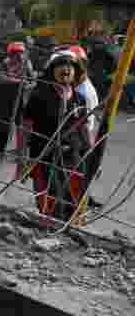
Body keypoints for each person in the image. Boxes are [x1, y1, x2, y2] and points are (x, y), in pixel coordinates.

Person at [21, 50, 90, 220]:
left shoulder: (80, 99)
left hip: (72, 155)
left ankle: (67, 228)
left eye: (70, 66)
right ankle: (48, 227)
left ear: (76, 72)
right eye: (61, 66)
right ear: (52, 71)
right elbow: (26, 127)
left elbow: (83, 128)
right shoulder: (39, 95)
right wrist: (22, 158)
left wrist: (90, 153)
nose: (66, 69)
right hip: (44, 154)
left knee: (73, 198)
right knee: (49, 198)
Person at [69, 45, 104, 210]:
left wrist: (90, 147)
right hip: (77, 133)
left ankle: (82, 199)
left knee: (80, 168)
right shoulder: (77, 84)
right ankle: (81, 198)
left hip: (81, 133)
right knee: (77, 168)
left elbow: (86, 121)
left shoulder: (84, 90)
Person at [0, 42, 36, 158]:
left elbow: (33, 81)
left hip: (21, 99)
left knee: (21, 126)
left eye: (21, 53)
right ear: (10, 54)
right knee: (3, 125)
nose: (18, 56)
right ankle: (1, 150)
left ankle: (21, 152)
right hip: (5, 99)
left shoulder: (27, 64)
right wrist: (18, 81)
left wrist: (28, 85)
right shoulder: (3, 64)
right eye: (16, 53)